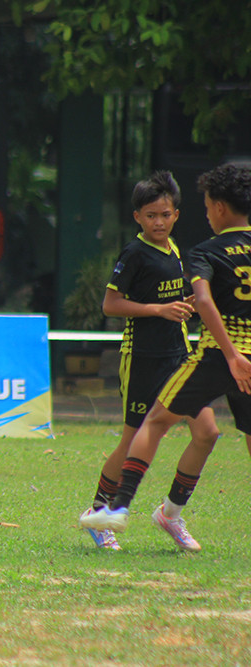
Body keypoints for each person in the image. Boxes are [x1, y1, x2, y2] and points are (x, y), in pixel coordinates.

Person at [81, 163, 251, 548]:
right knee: (132, 439)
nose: (159, 222)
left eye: (166, 214)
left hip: (180, 354)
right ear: (137, 217)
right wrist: (157, 310)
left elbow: (187, 299)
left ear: (177, 213)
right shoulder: (135, 253)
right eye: (151, 216)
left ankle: (170, 514)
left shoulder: (178, 249)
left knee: (207, 433)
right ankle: (99, 512)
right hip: (144, 356)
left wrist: (185, 304)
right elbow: (111, 304)